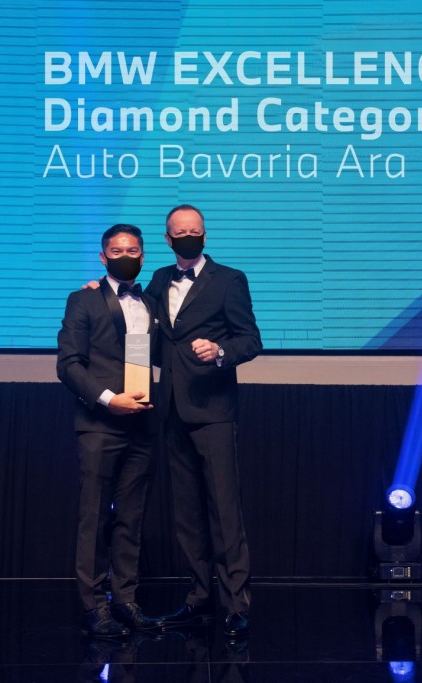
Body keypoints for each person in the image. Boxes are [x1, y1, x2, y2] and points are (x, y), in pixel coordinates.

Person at [147, 204, 262, 639]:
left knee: (223, 509)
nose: (188, 236)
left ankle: (236, 603)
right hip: (171, 409)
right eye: (180, 232)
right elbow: (135, 322)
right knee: (187, 513)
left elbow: (250, 340)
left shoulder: (229, 280)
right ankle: (199, 597)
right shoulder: (158, 279)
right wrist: (95, 290)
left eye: (195, 230)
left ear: (205, 236)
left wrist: (220, 352)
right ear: (168, 238)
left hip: (214, 410)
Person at [57, 223, 159, 638]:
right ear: (103, 258)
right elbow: (68, 365)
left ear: (143, 254)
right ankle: (94, 606)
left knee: (131, 519)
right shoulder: (82, 300)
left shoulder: (150, 302)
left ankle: (126, 602)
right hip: (99, 424)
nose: (124, 256)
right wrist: (107, 398)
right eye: (116, 251)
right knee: (94, 518)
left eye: (132, 249)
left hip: (143, 423)